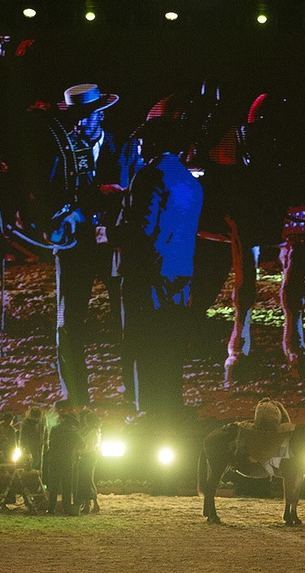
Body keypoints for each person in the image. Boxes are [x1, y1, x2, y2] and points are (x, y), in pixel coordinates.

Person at [115, 117, 203, 419]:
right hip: (180, 272)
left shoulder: (149, 175)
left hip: (147, 273)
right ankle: (169, 408)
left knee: (140, 343)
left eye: (142, 142)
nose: (138, 148)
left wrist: (105, 232)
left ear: (152, 143)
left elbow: (141, 228)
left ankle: (143, 409)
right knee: (170, 343)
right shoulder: (190, 181)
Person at [53, 83, 132, 406]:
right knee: (68, 323)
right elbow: (50, 192)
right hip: (74, 246)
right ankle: (73, 395)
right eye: (76, 117)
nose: (80, 123)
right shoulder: (62, 150)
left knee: (126, 317)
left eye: (87, 116)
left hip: (112, 244)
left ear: (101, 114)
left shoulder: (122, 147)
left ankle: (133, 390)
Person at [45, 404, 79, 515]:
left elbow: (50, 443)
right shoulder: (73, 432)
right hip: (68, 461)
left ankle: (51, 508)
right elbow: (83, 444)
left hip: (54, 460)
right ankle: (66, 508)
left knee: (53, 485)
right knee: (67, 486)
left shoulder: (55, 429)